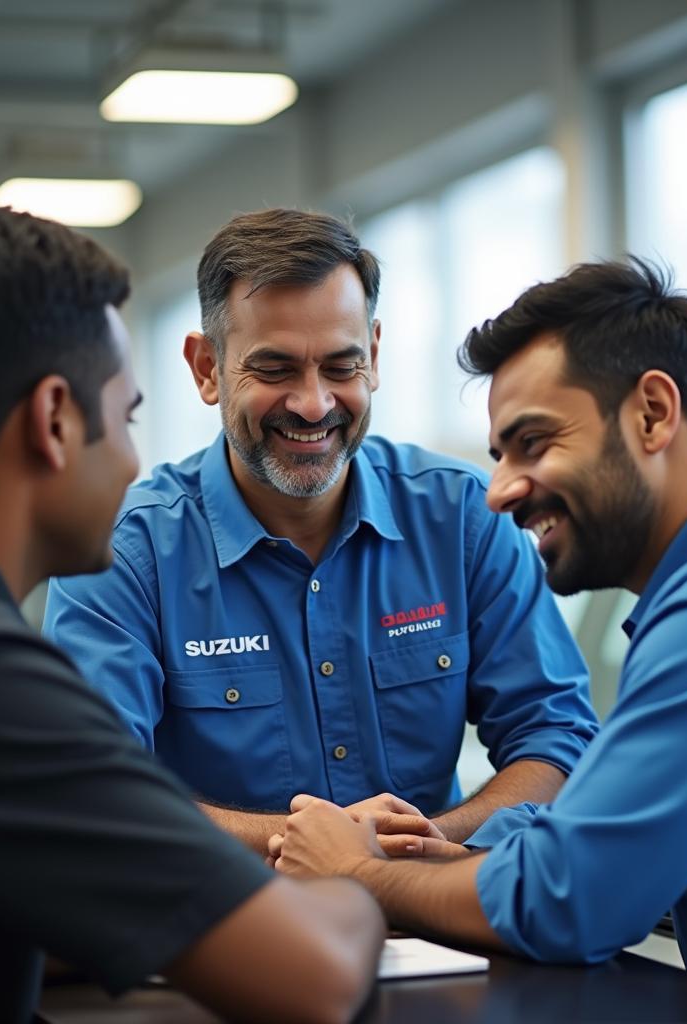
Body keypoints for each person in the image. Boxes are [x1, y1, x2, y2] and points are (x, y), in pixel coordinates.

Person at [268, 258, 687, 1017]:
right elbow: (596, 817)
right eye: (500, 455)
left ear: (653, 413)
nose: (500, 490)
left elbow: (571, 900)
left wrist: (357, 870)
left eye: (534, 442)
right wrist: (449, 854)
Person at [0, 199, 383, 1024]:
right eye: (127, 415)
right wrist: (358, 871)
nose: (135, 458)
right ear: (55, 420)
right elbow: (312, 978)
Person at [43, 208, 597, 855]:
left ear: (376, 356)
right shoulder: (124, 554)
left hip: (439, 924)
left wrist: (416, 846)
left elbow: (555, 741)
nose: (313, 404)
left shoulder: (464, 517)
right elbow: (95, 788)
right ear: (206, 368)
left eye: (341, 366)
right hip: (221, 931)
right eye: (274, 369)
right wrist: (312, 847)